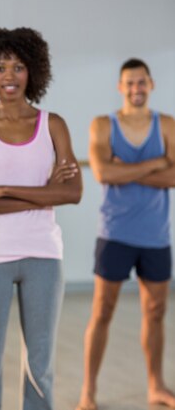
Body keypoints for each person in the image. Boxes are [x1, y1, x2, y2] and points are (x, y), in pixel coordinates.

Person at [0, 27, 82, 410]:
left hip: (43, 254)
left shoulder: (53, 124)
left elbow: (72, 193)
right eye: (0, 68)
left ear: (33, 71)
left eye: (18, 67)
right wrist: (42, 193)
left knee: (40, 365)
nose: (9, 76)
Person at [75, 58, 175, 410]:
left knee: (157, 311)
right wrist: (155, 163)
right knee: (102, 310)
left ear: (151, 84)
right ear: (121, 87)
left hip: (156, 235)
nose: (136, 89)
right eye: (129, 83)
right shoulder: (104, 125)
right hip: (115, 233)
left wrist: (125, 169)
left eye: (141, 82)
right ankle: (88, 392)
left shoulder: (166, 125)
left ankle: (156, 386)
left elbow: (174, 177)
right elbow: (103, 173)